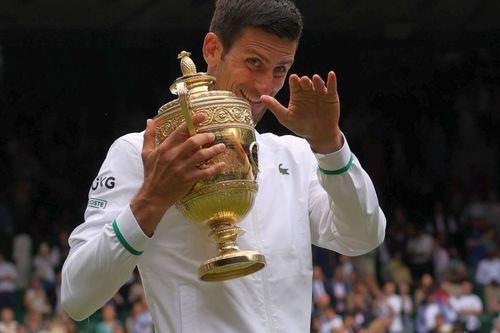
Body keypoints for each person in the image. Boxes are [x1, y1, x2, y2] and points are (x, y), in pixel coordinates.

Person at [61, 0, 386, 331]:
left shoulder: (294, 156)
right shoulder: (143, 154)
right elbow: (77, 297)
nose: (264, 87)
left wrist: (330, 145)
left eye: (280, 70)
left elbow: (362, 237)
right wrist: (152, 199)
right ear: (213, 49)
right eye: (254, 62)